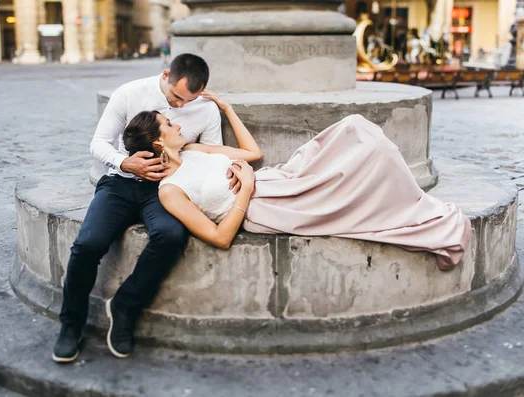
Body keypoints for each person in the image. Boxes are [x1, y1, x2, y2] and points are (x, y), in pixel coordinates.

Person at [123, 92, 471, 271]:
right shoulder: (170, 191)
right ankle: (419, 218)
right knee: (356, 169)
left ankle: (406, 197)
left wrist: (228, 110)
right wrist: (244, 189)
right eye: (168, 125)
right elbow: (220, 237)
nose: (178, 125)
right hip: (265, 208)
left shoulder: (196, 147)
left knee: (355, 128)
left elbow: (253, 153)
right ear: (157, 142)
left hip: (275, 181)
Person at [52, 54, 223, 363]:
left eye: (190, 100)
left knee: (171, 236)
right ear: (166, 75)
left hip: (167, 189)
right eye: (176, 97)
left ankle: (125, 306)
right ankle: (70, 325)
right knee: (88, 243)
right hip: (120, 183)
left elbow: (212, 156)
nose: (182, 106)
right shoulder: (129, 93)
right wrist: (124, 162)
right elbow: (99, 143)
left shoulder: (206, 109)